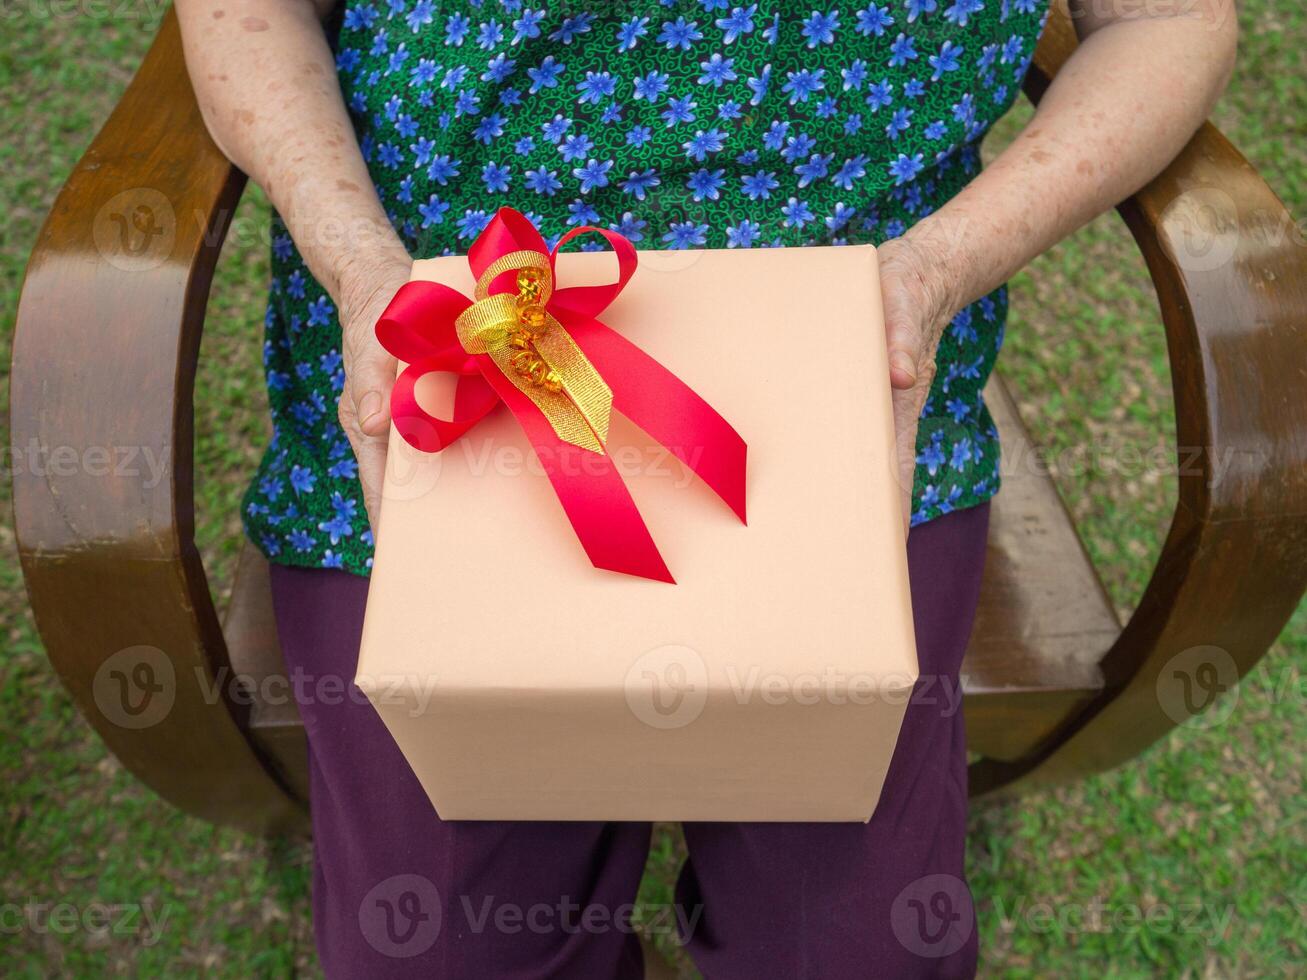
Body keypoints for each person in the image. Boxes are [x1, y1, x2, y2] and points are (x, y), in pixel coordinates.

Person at [176, 2, 1237, 976]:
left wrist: (936, 270)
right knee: (439, 949)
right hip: (443, 365)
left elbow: (1164, 18)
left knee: (863, 953)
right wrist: (363, 268)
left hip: (849, 384)